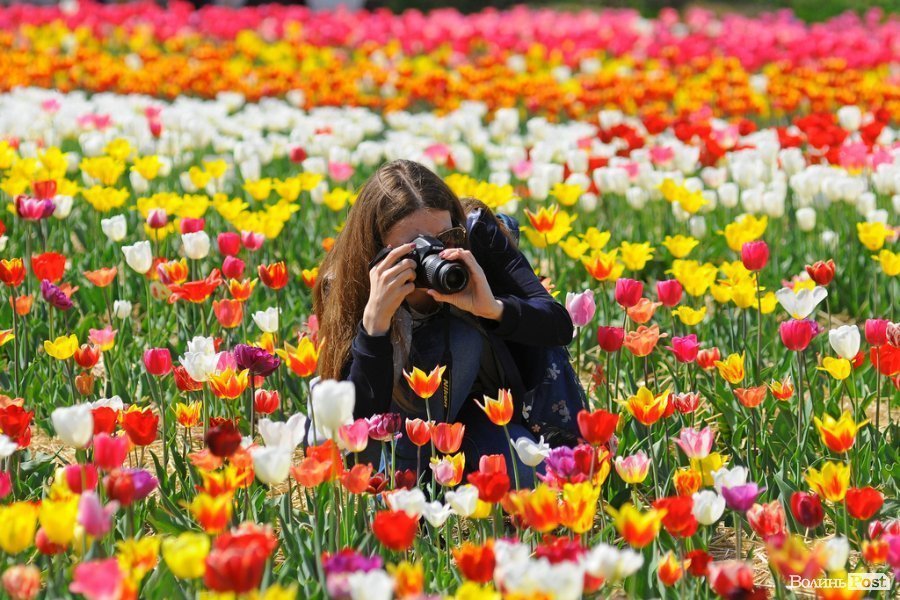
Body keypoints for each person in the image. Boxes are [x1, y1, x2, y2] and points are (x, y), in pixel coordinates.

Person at [313, 159, 575, 487]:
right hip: (393, 430)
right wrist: (374, 325)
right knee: (461, 342)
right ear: (379, 251)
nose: (436, 255)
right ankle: (409, 484)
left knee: (527, 473)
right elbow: (355, 422)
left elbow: (558, 325)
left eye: (443, 237)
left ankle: (434, 483)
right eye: (415, 248)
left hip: (470, 415)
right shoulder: (348, 283)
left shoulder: (472, 237)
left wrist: (493, 308)